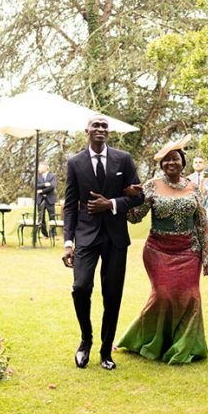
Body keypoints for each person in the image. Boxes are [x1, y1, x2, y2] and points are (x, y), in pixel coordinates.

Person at [117, 137, 208, 364]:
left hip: (189, 250)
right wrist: (125, 199)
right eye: (167, 160)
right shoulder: (152, 185)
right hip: (158, 250)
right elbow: (135, 216)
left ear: (183, 162)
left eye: (175, 159)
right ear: (161, 165)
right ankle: (146, 340)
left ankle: (184, 345)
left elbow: (202, 223)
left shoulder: (192, 187)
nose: (171, 163)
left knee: (190, 297)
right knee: (162, 295)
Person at [62, 115, 144, 370]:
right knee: (80, 287)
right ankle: (86, 340)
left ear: (109, 132)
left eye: (104, 126)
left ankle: (106, 351)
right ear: (86, 130)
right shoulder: (75, 163)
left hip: (116, 237)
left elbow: (139, 196)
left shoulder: (123, 159)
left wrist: (112, 204)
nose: (100, 129)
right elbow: (69, 206)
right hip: (86, 236)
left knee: (112, 295)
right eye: (95, 125)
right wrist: (67, 242)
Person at [35, 161, 57, 237]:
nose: (38, 169)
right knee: (41, 217)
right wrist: (45, 184)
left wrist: (42, 191)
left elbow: (52, 186)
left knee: (52, 216)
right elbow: (35, 186)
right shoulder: (37, 177)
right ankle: (44, 234)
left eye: (40, 167)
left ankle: (53, 234)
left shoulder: (52, 176)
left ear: (46, 167)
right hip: (40, 199)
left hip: (50, 199)